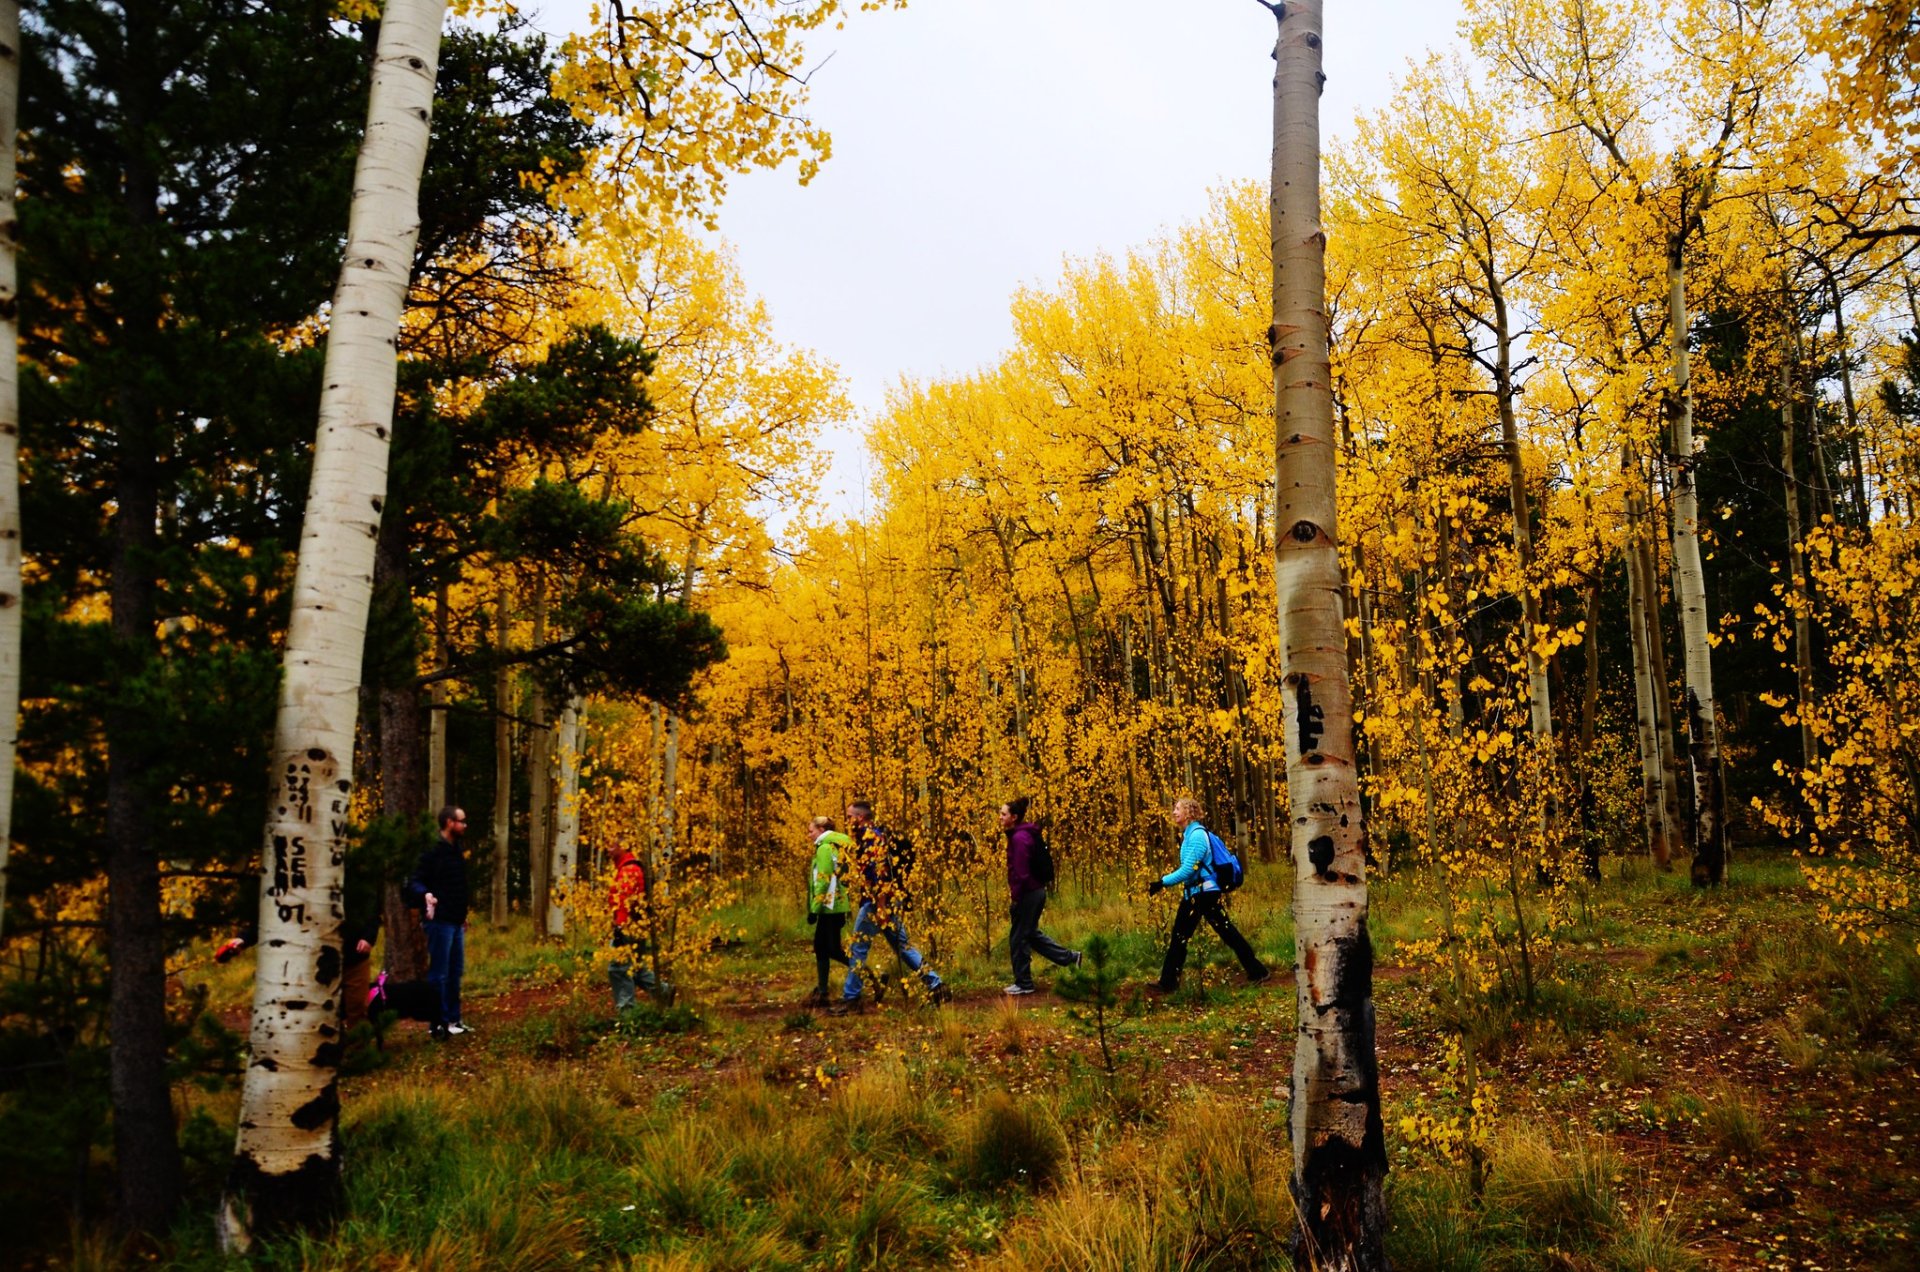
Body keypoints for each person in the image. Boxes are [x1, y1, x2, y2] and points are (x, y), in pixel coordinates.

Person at [830, 799, 951, 1014]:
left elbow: (881, 875)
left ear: (860, 818)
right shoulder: (871, 837)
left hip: (877, 903)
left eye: (850, 817)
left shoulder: (872, 839)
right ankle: (937, 985)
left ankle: (851, 998)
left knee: (858, 947)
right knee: (902, 947)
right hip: (882, 900)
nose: (847, 821)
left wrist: (881, 906)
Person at [1148, 796, 1269, 991]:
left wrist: (1162, 882)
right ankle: (1257, 971)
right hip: (1199, 893)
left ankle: (1168, 982)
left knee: (1182, 935)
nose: (1174, 812)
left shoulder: (1196, 836)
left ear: (1189, 812)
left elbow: (1188, 869)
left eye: (1178, 808)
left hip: (1202, 894)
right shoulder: (1189, 835)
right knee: (1225, 932)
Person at [1000, 795, 1081, 995]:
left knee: (1019, 938)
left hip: (1029, 893)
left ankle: (1024, 983)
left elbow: (1021, 873)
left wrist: (1017, 899)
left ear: (1014, 817)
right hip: (1034, 891)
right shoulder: (1023, 834)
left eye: (1003, 814)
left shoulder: (1019, 838)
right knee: (1030, 934)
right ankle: (1071, 958)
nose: (1000, 817)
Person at [409, 805, 472, 1039]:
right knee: (439, 973)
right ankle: (437, 1023)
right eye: (461, 821)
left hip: (455, 921)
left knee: (455, 971)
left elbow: (457, 886)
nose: (464, 825)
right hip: (439, 922)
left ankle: (454, 1019)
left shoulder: (457, 849)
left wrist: (462, 914)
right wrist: (425, 894)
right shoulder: (431, 851)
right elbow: (415, 880)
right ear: (448, 823)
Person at [606, 844, 666, 1010]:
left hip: (628, 928)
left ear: (623, 846)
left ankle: (627, 1011)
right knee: (637, 969)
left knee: (617, 969)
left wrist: (619, 927)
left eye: (612, 846)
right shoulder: (628, 867)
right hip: (635, 926)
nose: (608, 850)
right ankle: (665, 992)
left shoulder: (629, 870)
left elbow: (625, 901)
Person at [807, 816, 853, 1005]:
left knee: (832, 950)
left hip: (829, 907)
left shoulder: (825, 849)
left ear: (821, 829)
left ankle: (871, 975)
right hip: (833, 906)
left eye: (811, 831)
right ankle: (823, 991)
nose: (808, 835)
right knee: (821, 948)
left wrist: (814, 909)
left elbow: (824, 880)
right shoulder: (834, 847)